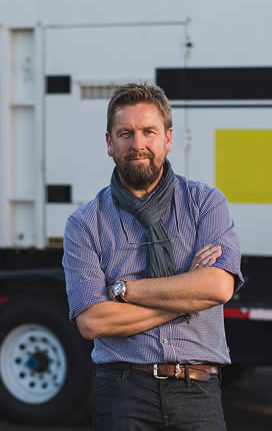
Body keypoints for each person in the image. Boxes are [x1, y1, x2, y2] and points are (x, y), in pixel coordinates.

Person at [62, 83, 243, 430]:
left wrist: (124, 291)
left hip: (197, 389)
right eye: (125, 133)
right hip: (122, 390)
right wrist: (188, 293)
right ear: (109, 143)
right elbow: (92, 322)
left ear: (168, 138)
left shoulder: (206, 203)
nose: (138, 144)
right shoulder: (84, 224)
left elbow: (219, 287)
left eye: (149, 131)